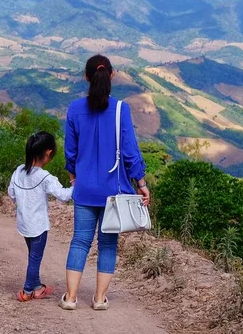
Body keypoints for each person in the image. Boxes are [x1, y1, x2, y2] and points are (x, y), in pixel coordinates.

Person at [59, 54, 150, 311]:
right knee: (107, 244)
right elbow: (131, 152)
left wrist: (73, 174)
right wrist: (141, 183)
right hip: (113, 190)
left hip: (85, 187)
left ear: (86, 77)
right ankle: (99, 299)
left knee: (80, 241)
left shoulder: (75, 109)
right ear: (111, 75)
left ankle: (71, 298)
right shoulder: (121, 109)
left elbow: (71, 150)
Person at [8, 131, 74, 302]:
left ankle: (37, 288)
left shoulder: (18, 171)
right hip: (38, 226)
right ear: (48, 153)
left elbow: (11, 193)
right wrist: (77, 184)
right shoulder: (45, 177)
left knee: (32, 256)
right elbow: (64, 196)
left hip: (24, 224)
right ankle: (27, 290)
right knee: (35, 259)